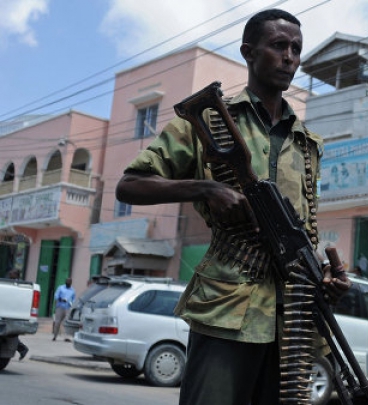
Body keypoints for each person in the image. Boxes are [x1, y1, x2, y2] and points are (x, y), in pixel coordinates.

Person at [115, 9, 350, 405]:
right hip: (227, 307)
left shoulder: (309, 144)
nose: (290, 56)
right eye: (278, 46)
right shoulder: (207, 121)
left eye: (296, 48)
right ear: (249, 52)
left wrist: (325, 275)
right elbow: (130, 185)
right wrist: (204, 188)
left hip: (291, 316)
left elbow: (304, 229)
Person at [7, 269, 29, 360]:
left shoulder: (20, 286)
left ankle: (22, 348)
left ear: (16, 275)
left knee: (10, 334)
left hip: (14, 313)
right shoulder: (9, 283)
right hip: (8, 312)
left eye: (12, 273)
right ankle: (22, 348)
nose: (9, 274)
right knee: (10, 335)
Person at [52, 277, 75, 342]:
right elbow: (56, 296)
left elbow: (73, 299)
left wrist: (72, 303)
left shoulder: (72, 290)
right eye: (67, 282)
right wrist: (61, 299)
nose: (68, 283)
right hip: (60, 307)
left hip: (68, 308)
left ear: (71, 283)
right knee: (57, 322)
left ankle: (66, 337)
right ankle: (55, 336)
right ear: (65, 282)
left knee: (66, 323)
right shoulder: (61, 288)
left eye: (69, 282)